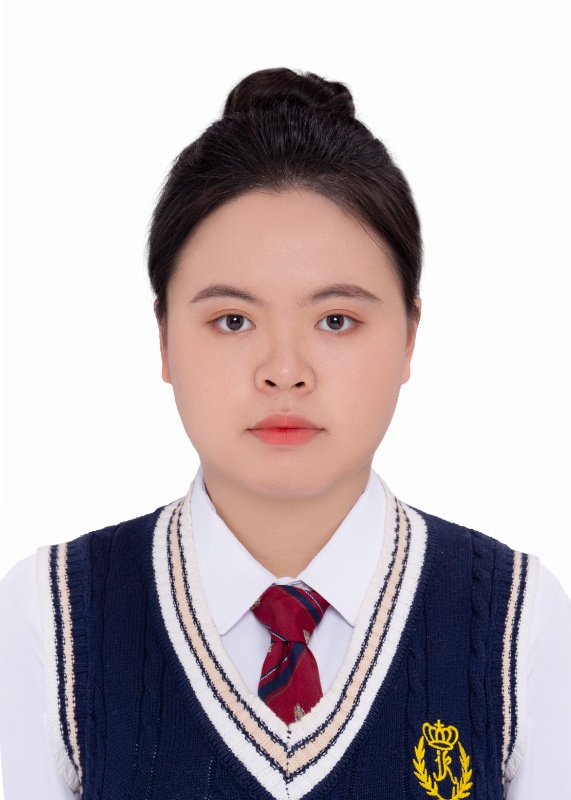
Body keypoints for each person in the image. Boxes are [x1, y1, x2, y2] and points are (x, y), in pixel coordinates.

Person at [1, 68, 570, 800]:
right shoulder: (51, 623)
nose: (284, 372)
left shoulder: (517, 625)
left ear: (409, 336)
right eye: (233, 320)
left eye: (336, 320)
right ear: (164, 338)